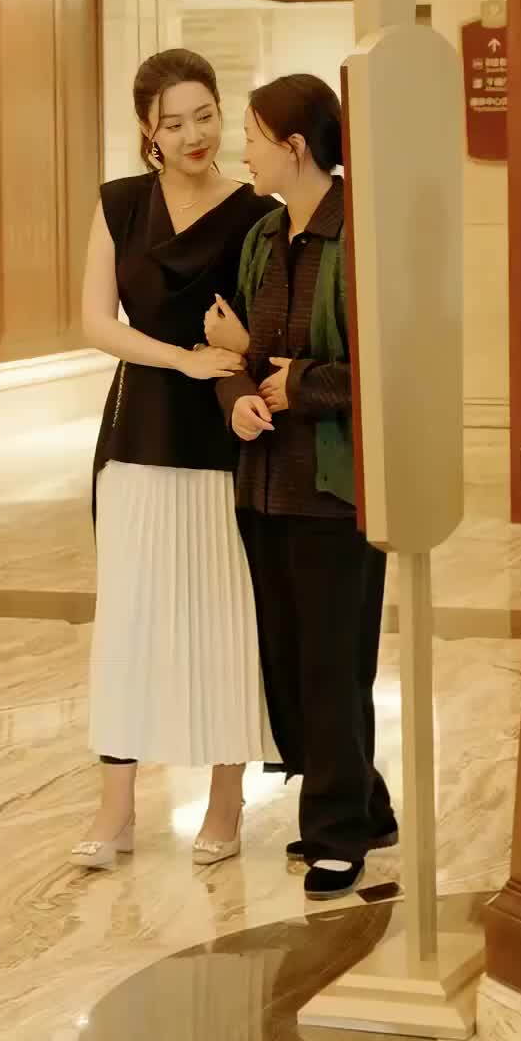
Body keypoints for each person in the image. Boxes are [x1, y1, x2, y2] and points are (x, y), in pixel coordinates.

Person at [72, 49, 276, 872]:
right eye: (175, 123)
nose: (194, 135)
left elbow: (271, 331)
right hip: (138, 436)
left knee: (225, 619)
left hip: (226, 437)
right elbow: (96, 321)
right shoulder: (120, 204)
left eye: (206, 116)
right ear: (147, 131)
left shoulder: (258, 212)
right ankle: (116, 806)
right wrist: (180, 359)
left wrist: (227, 354)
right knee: (128, 619)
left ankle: (226, 800)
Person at [206, 73, 398, 901]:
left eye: (251, 136)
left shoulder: (361, 236)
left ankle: (334, 832)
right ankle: (367, 805)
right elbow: (236, 352)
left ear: (294, 147)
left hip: (336, 491)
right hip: (264, 487)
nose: (241, 151)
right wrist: (239, 394)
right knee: (289, 664)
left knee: (333, 664)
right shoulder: (262, 237)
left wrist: (301, 385)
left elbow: (390, 364)